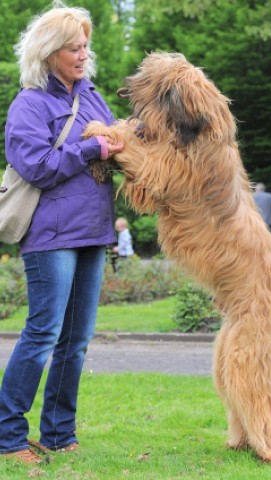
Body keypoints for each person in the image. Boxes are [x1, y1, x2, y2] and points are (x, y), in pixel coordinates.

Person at [0, 4, 123, 464]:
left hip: (93, 229)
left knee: (77, 340)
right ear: (49, 53)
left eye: (85, 46)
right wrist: (92, 146)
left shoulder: (91, 96)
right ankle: (8, 437)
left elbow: (117, 141)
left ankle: (57, 432)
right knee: (43, 334)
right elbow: (38, 166)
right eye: (73, 47)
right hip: (51, 234)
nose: (83, 54)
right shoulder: (29, 104)